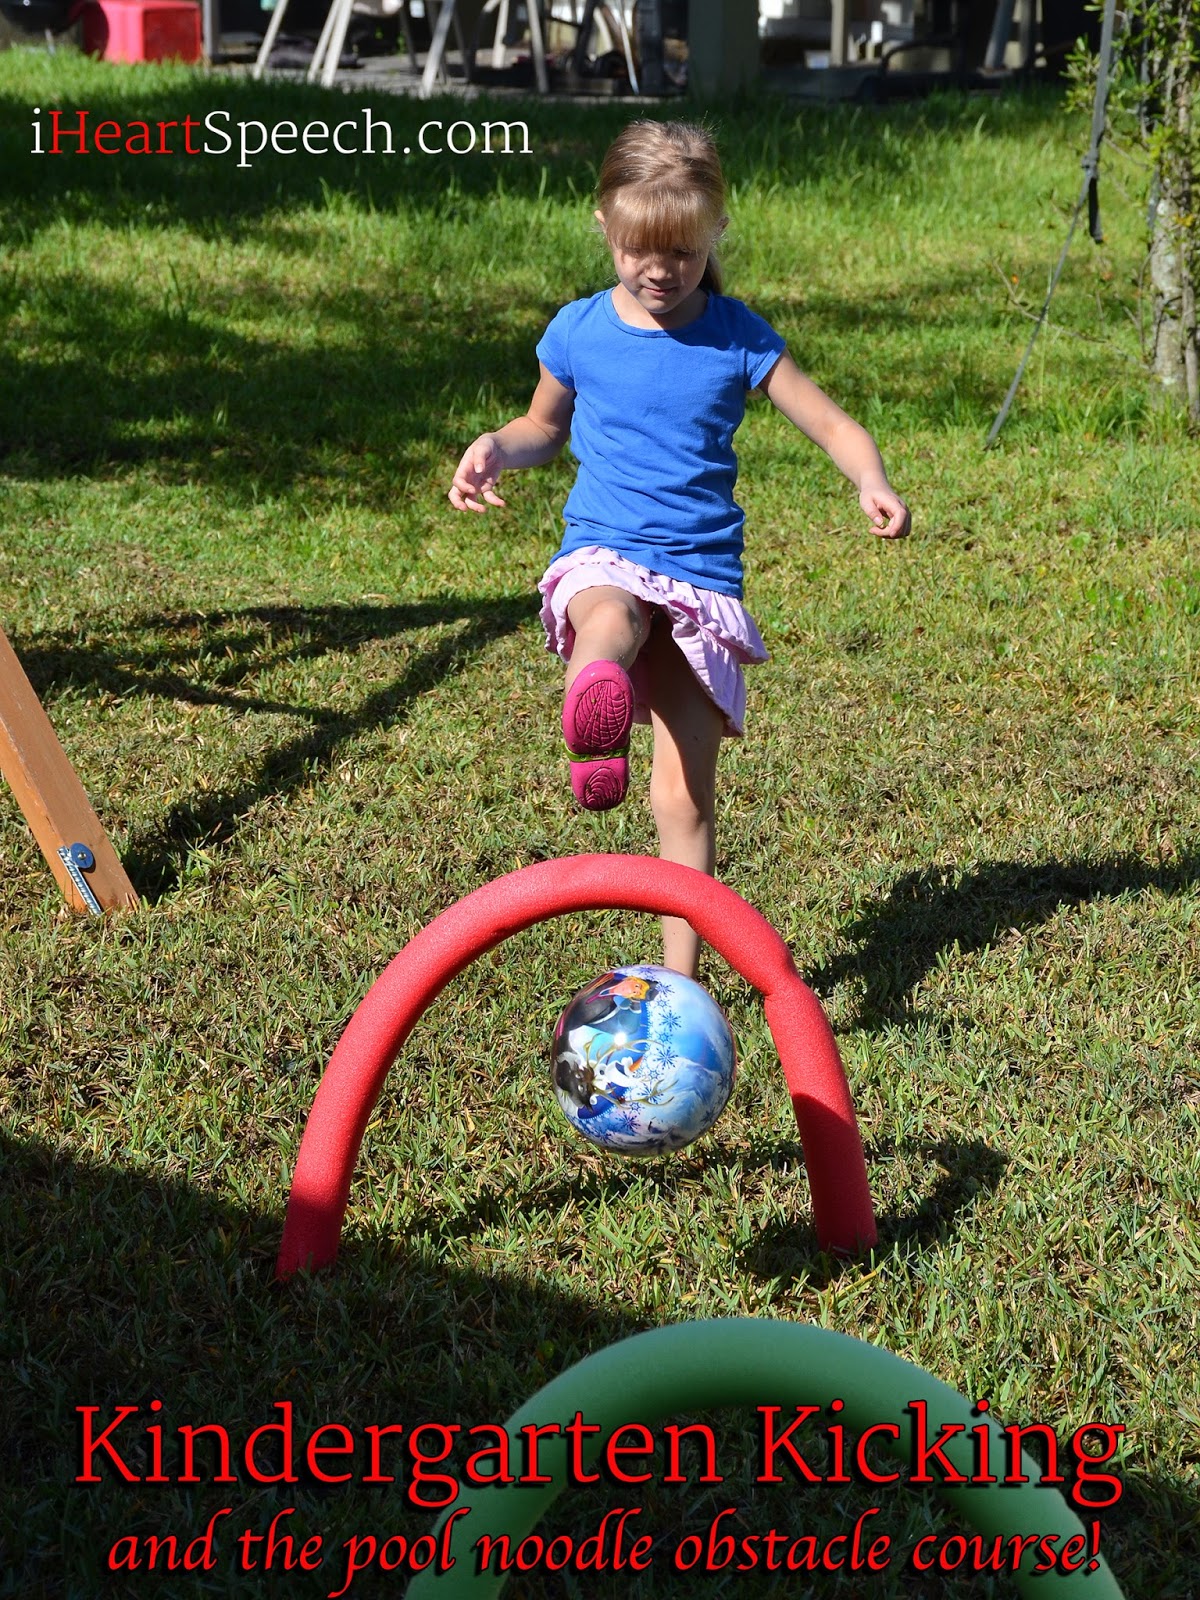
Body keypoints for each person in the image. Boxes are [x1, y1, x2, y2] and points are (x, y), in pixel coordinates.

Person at [449, 120, 909, 978]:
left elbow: (831, 422)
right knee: (609, 617)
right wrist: (493, 447)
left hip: (699, 576)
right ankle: (600, 703)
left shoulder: (737, 336)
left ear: (712, 239)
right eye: (639, 251)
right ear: (605, 230)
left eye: (683, 254)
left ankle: (678, 982)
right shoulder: (580, 330)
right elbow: (542, 429)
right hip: (607, 548)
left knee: (685, 799)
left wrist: (870, 479)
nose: (660, 271)